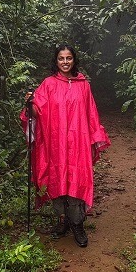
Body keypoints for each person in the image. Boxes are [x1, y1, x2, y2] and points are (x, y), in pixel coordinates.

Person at [21, 44, 110, 247]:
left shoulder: (83, 85)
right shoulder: (48, 84)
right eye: (61, 58)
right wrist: (30, 104)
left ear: (74, 60)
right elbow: (37, 113)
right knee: (57, 178)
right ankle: (62, 219)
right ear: (56, 61)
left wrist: (94, 137)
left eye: (68, 58)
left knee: (78, 178)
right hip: (56, 143)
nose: (65, 62)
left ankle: (77, 223)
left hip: (78, 142)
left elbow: (91, 113)